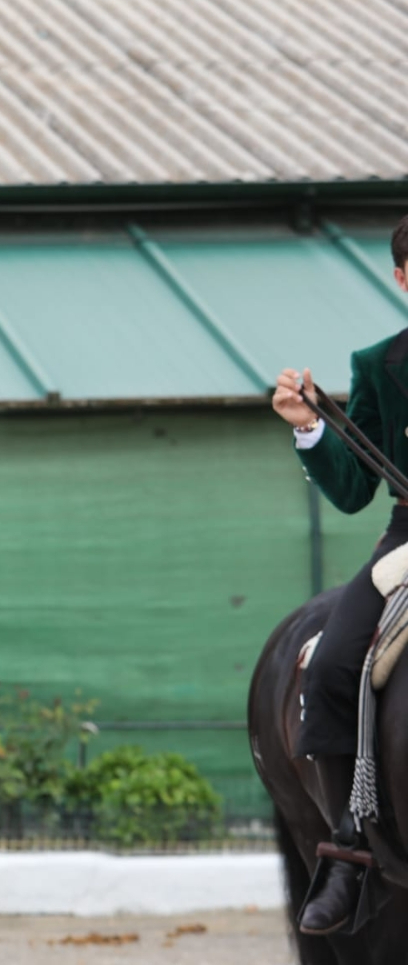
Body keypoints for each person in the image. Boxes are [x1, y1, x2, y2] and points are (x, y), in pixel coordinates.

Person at [272, 213, 408, 936]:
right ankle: (348, 850)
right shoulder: (379, 365)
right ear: (402, 278)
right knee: (328, 667)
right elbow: (356, 489)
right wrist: (309, 425)